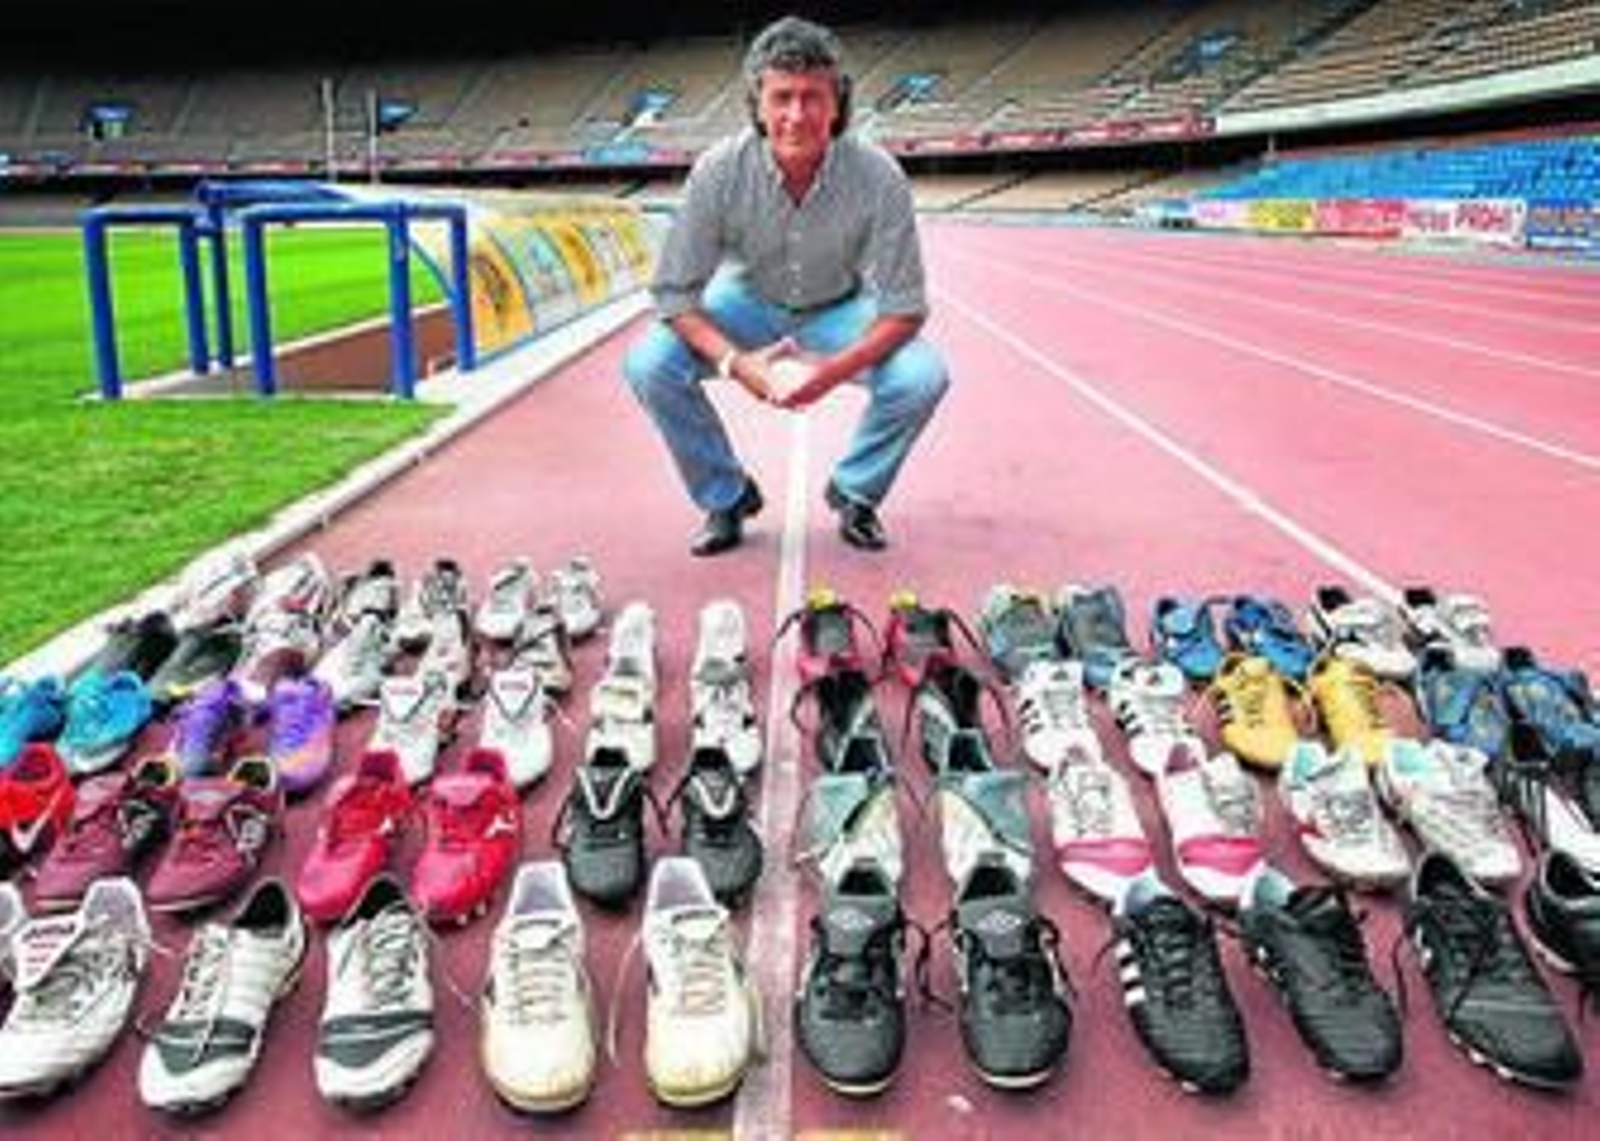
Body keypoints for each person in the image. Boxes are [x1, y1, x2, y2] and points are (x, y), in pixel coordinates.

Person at [623, 15, 949, 556]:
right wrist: (737, 363)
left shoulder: (879, 176)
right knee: (648, 364)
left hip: (841, 306)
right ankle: (726, 496)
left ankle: (855, 492)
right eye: (781, 98)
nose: (796, 116)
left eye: (812, 97)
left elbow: (906, 308)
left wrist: (831, 371)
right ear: (758, 104)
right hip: (746, 301)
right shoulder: (718, 170)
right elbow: (674, 294)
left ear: (837, 104)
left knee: (923, 376)